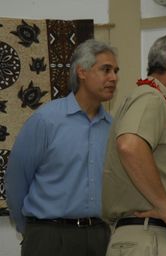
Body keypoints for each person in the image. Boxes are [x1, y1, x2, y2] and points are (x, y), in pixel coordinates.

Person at [5, 39, 119, 256]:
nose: (113, 77)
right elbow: (16, 180)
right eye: (106, 70)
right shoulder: (46, 120)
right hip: (48, 236)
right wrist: (31, 230)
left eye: (115, 71)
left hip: (98, 236)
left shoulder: (112, 127)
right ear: (82, 72)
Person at [102, 30, 166, 256]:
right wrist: (165, 208)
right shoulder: (150, 97)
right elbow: (130, 146)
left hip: (148, 237)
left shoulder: (152, 98)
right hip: (148, 237)